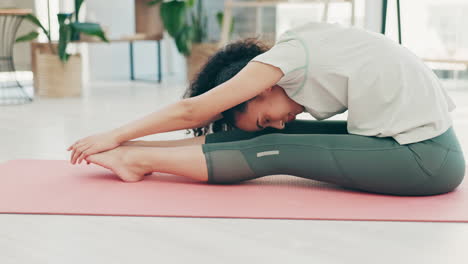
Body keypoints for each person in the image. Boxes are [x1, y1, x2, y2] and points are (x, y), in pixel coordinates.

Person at [67, 22, 465, 196]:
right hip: (418, 146)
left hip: (425, 160)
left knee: (270, 150)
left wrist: (116, 133)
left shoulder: (284, 61)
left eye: (263, 116)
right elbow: (214, 119)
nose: (276, 122)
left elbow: (193, 111)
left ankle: (133, 160)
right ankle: (136, 158)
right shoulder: (305, 45)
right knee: (277, 138)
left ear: (263, 88)